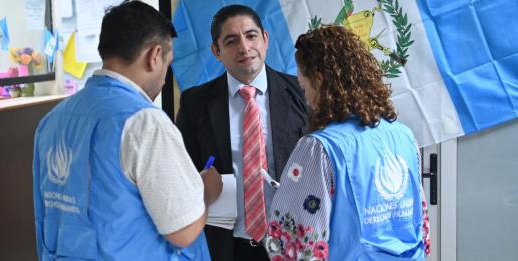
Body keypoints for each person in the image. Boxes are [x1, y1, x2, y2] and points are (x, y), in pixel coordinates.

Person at [32, 1, 222, 260]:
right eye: (168, 64)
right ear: (154, 56)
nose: (165, 78)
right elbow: (184, 231)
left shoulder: (52, 120)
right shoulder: (145, 122)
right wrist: (207, 191)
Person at [265, 25, 431, 260]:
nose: (306, 98)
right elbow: (421, 226)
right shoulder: (403, 136)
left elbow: (296, 245)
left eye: (304, 87)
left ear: (319, 81)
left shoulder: (317, 149)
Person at [176, 4, 308, 261]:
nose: (245, 48)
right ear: (216, 51)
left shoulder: (301, 93)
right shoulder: (195, 103)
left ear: (265, 39)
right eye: (231, 40)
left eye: (251, 36)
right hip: (227, 248)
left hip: (292, 243)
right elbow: (183, 175)